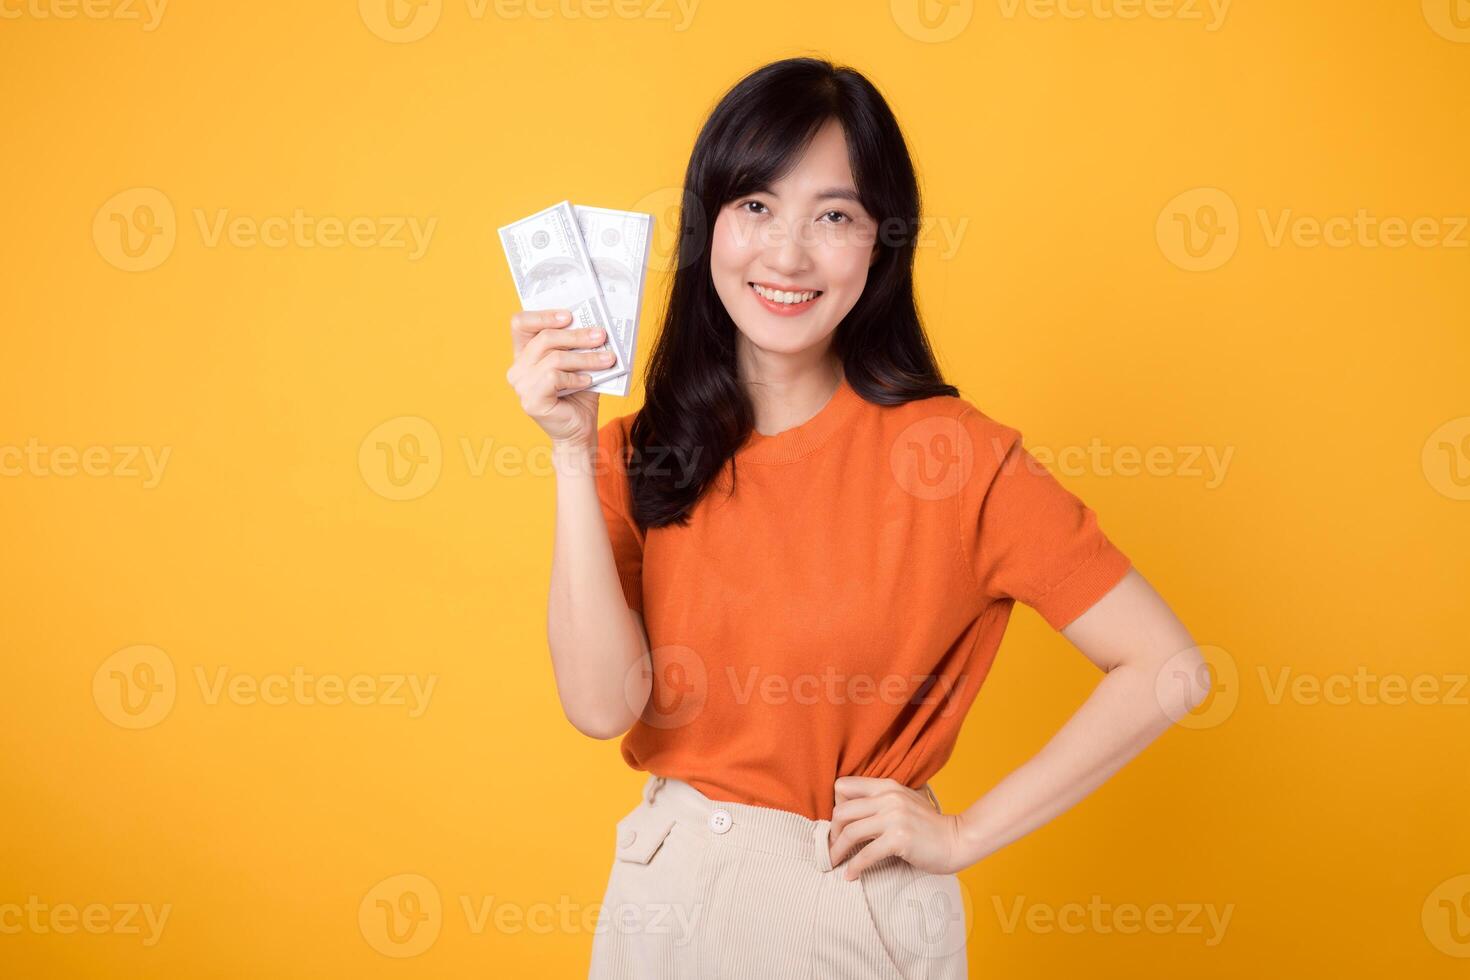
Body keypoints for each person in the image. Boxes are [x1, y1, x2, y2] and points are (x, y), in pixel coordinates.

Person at [505, 56, 1208, 980]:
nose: (787, 254)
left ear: (881, 243)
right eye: (756, 205)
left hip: (844, 910)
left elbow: (1169, 668)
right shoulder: (636, 452)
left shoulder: (956, 459)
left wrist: (964, 834)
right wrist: (568, 444)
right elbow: (601, 707)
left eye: (833, 216)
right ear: (706, 224)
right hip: (660, 893)